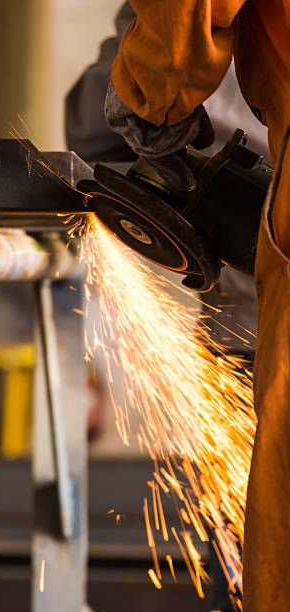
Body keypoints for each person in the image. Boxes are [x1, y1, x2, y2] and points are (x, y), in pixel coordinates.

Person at [66, 3, 270, 610]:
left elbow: (172, 38)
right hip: (251, 298)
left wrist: (149, 108)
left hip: (261, 285)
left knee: (260, 533)